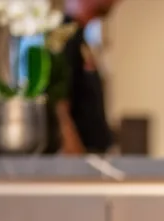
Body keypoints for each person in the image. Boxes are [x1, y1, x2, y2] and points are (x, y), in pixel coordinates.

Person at [50, 0, 119, 154]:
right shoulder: (65, 36)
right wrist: (76, 156)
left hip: (94, 154)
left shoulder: (80, 36)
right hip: (80, 158)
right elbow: (59, 103)